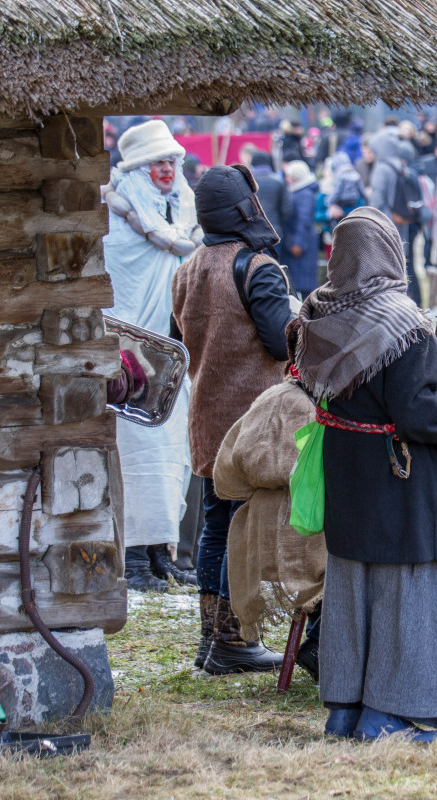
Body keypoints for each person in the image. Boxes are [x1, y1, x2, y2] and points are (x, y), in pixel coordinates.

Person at [292, 207, 437, 742]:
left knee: (354, 587)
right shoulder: (403, 324)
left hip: (350, 473)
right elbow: (419, 413)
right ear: (389, 255)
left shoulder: (318, 314)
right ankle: (393, 716)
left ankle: (348, 711)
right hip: (402, 478)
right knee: (407, 592)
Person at [171, 165, 296, 675]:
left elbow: (178, 342)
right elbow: (279, 342)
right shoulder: (255, 267)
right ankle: (232, 641)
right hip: (251, 421)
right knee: (238, 528)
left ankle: (212, 639)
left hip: (206, 414)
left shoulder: (188, 268)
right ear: (245, 207)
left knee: (215, 527)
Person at [101, 119, 197, 592]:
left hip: (171, 354)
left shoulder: (182, 214)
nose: (165, 169)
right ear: (139, 169)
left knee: (172, 453)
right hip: (132, 358)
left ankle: (162, 550)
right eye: (157, 162)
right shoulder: (117, 221)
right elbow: (119, 285)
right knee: (136, 454)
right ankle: (134, 555)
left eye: (171, 161)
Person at [212, 324, 325, 682]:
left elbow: (227, 469)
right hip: (302, 527)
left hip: (259, 524)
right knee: (356, 559)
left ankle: (323, 643)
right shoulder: (302, 406)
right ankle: (323, 644)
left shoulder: (270, 397)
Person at [282, 160, 321, 294]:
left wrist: (297, 243)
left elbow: (303, 221)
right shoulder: (301, 192)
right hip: (299, 242)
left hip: (301, 244)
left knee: (304, 286)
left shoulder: (304, 194)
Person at [249, 151, 293, 244]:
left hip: (252, 232)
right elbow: (286, 210)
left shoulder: (247, 182)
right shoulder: (279, 181)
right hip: (274, 231)